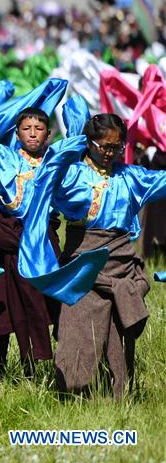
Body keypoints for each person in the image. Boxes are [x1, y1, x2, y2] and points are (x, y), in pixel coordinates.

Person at [35, 114, 162, 398]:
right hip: (83, 264)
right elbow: (44, 181)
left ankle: (115, 395)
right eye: (105, 147)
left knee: (118, 337)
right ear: (89, 143)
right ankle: (74, 393)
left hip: (121, 262)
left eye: (117, 148)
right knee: (78, 331)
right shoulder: (73, 174)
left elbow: (161, 181)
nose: (110, 154)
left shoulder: (130, 176)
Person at [0, 106, 61, 378]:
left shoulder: (58, 161)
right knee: (1, 310)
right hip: (7, 241)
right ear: (16, 133)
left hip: (42, 247)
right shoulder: (4, 158)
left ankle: (38, 368)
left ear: (49, 134)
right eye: (26, 128)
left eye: (39, 129)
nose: (33, 134)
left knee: (45, 305)